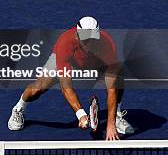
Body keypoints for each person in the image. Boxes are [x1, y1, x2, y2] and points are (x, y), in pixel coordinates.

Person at [7, 16, 135, 140]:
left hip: (94, 62)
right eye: (85, 38)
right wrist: (81, 114)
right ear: (77, 35)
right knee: (38, 88)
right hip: (70, 61)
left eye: (92, 38)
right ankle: (19, 108)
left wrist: (110, 125)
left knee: (118, 77)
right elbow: (65, 86)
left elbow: (112, 89)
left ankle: (116, 116)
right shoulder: (65, 43)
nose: (88, 43)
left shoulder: (107, 46)